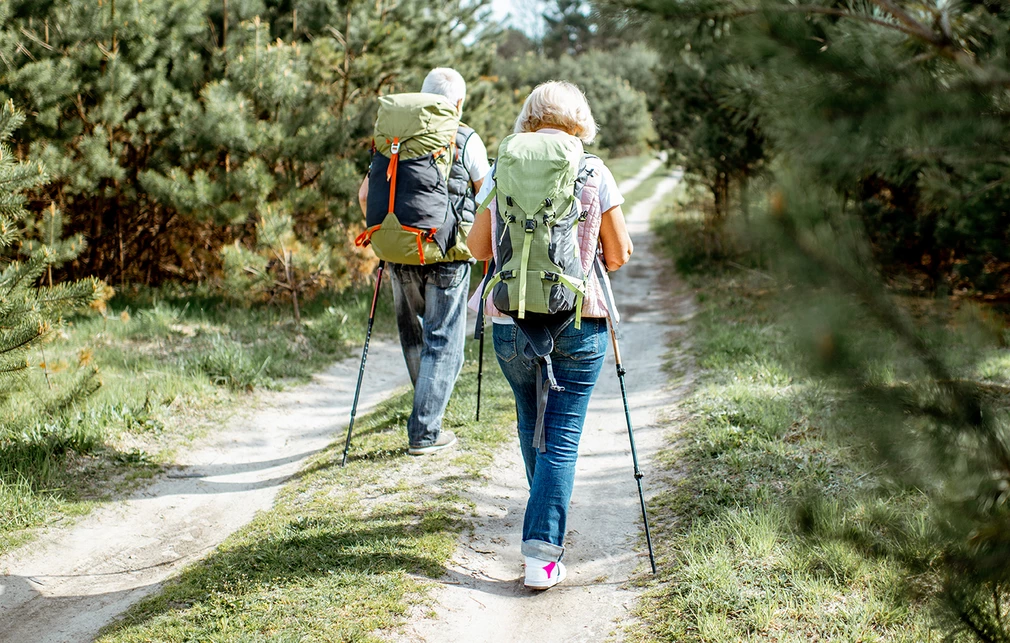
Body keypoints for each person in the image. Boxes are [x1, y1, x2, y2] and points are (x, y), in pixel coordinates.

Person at [466, 81, 634, 589]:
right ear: (580, 122)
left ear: (528, 119)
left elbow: (478, 249)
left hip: (511, 321)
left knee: (528, 420)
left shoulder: (501, 167)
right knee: (559, 439)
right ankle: (541, 553)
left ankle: (544, 519)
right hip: (579, 322)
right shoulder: (593, 170)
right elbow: (621, 253)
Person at [358, 68, 491, 455]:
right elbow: (488, 198)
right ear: (459, 104)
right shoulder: (465, 137)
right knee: (444, 341)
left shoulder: (392, 139)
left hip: (400, 251)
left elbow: (367, 197)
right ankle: (425, 431)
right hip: (447, 253)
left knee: (414, 334)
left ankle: (425, 410)